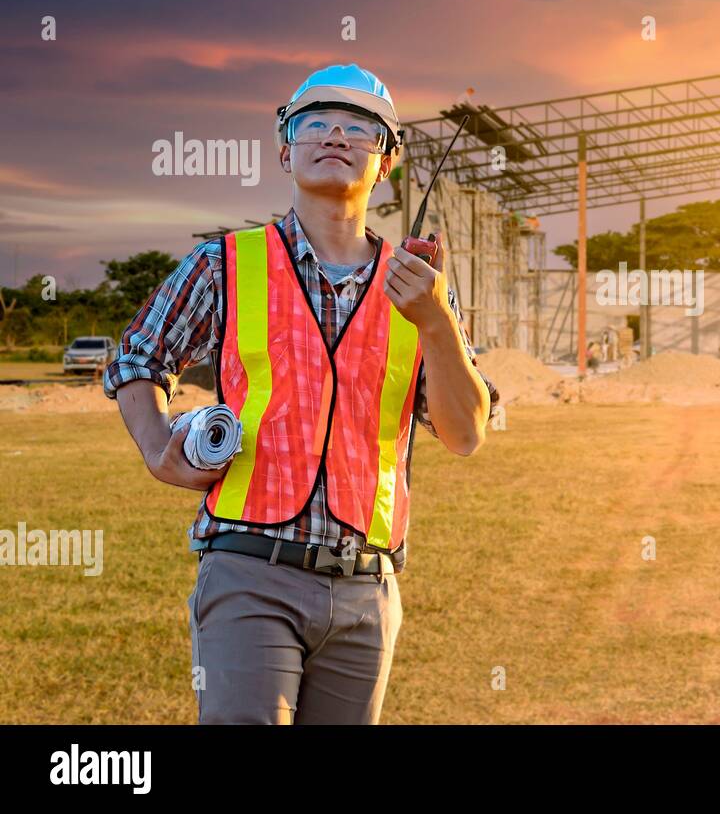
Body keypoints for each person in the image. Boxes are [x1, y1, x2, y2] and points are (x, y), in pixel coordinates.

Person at [104, 64, 498, 724]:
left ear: (388, 161)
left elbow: (465, 433)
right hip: (251, 570)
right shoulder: (225, 262)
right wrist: (155, 445)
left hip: (368, 589)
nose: (337, 136)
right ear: (286, 148)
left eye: (361, 128)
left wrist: (436, 320)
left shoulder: (423, 287)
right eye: (316, 123)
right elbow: (139, 355)